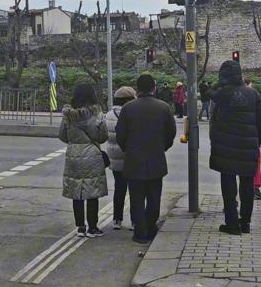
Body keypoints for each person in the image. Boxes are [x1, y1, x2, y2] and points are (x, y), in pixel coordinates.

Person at [116, 74, 177, 244]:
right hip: (156, 159)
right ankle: (151, 227)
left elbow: (120, 135)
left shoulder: (128, 108)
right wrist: (162, 147)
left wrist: (128, 149)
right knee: (153, 197)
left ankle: (140, 232)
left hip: (134, 160)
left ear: (137, 89)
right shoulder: (163, 108)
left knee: (136, 198)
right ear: (154, 88)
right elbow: (171, 132)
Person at [209, 60, 261, 235]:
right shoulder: (253, 94)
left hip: (226, 147)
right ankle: (246, 222)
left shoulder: (222, 94)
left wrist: (220, 82)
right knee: (247, 186)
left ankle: (232, 223)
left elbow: (208, 93)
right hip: (248, 146)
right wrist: (257, 142)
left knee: (228, 185)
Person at [58, 84, 109, 238]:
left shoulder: (68, 115)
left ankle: (80, 227)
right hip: (92, 155)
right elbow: (103, 137)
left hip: (73, 156)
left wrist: (74, 142)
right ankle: (93, 227)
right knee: (92, 192)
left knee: (76, 192)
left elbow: (62, 136)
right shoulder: (98, 114)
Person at [105, 86, 137, 230]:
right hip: (131, 155)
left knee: (119, 188)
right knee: (135, 189)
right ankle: (134, 220)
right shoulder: (132, 112)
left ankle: (117, 220)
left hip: (115, 156)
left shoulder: (109, 115)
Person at [244, 77, 261, 200]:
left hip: (234, 140)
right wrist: (260, 139)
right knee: (255, 163)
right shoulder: (254, 96)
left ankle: (231, 203)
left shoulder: (228, 95)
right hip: (252, 137)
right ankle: (254, 188)